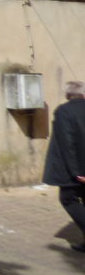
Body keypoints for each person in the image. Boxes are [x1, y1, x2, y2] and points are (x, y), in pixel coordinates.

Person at [43, 80, 85, 252]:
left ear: (68, 95)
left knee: (68, 199)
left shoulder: (64, 111)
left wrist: (76, 172)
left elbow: (67, 143)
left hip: (72, 170)